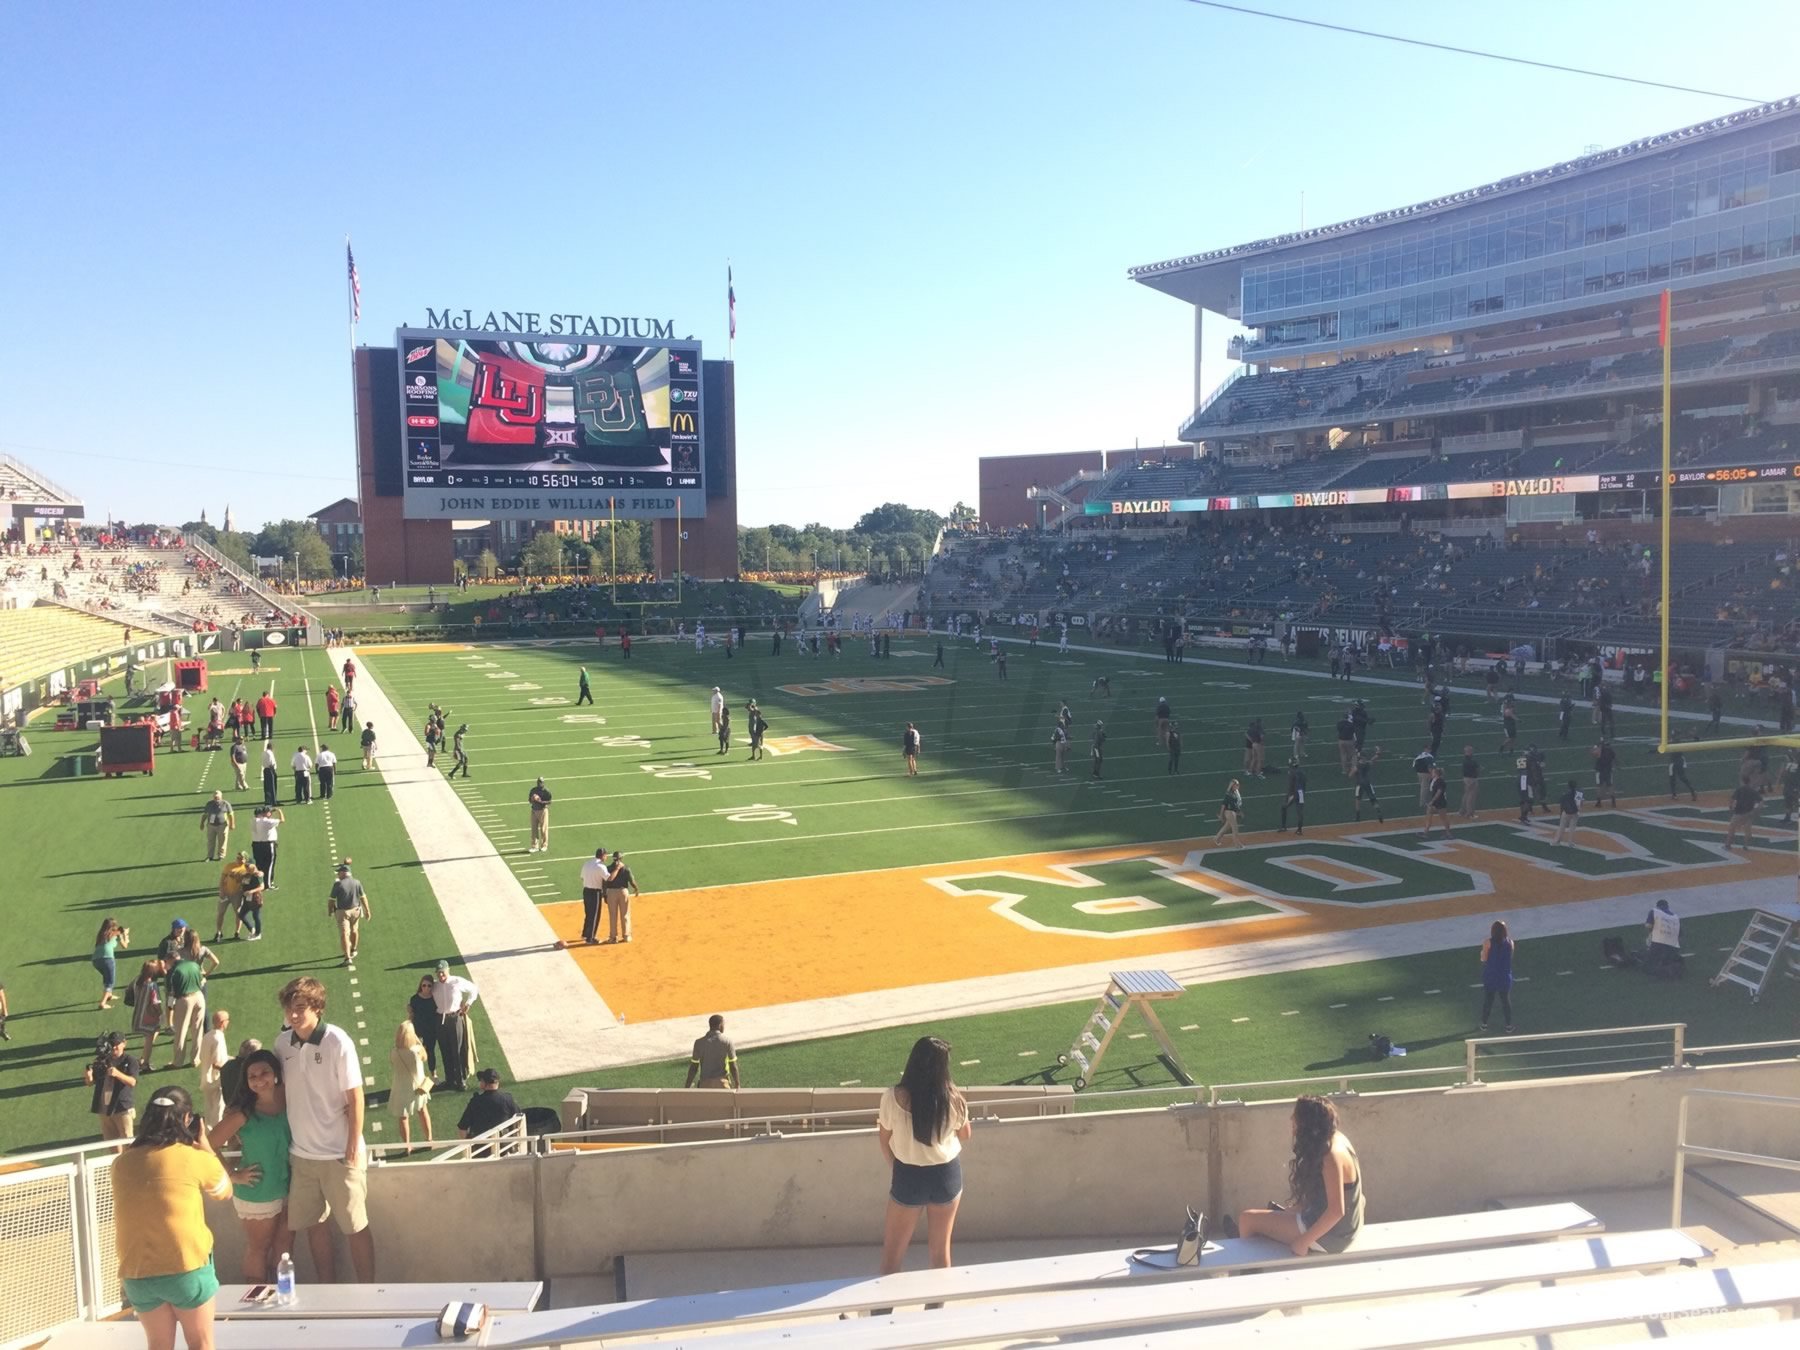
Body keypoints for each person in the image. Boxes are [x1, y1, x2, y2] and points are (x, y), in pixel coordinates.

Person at [111, 1085, 233, 1348]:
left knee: (158, 1344)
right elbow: (224, 1191)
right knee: (200, 1343)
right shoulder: (192, 1158)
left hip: (137, 1272)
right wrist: (207, 1149)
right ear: (187, 1119)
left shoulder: (121, 1164)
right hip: (186, 1267)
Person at [274, 975, 375, 1283]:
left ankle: (368, 1292)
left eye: (300, 1007)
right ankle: (327, 1289)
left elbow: (355, 1096)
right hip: (302, 1156)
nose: (293, 1014)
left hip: (339, 1153)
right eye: (289, 1007)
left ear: (317, 1007)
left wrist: (352, 1146)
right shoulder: (281, 1043)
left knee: (355, 1226)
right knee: (314, 1226)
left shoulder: (337, 1041)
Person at [876, 1036, 972, 1276]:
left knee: (892, 1257)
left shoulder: (893, 1097)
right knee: (941, 1254)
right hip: (946, 1175)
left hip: (908, 1176)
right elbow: (966, 1134)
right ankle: (935, 1312)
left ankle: (881, 1313)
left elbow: (884, 1137)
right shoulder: (954, 1099)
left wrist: (896, 1165)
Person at [1231, 1095, 1364, 1256]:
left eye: (1296, 1117)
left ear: (1306, 1123)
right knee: (1275, 1215)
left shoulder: (1330, 1155)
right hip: (1346, 1228)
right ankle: (1251, 1236)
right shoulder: (1338, 1138)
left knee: (1247, 1219)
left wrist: (1304, 1241)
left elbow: (1336, 1211)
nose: (1291, 1119)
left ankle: (1246, 1271)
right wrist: (1297, 1209)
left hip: (1331, 1236)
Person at [209, 1048, 292, 1282]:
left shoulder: (287, 1096)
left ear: (275, 1073)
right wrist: (231, 1175)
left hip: (288, 1185)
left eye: (264, 1073)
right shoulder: (242, 1114)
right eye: (252, 1077)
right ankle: (256, 1303)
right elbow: (207, 1144)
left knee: (284, 1246)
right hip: (258, 1191)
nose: (258, 1080)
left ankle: (280, 1301)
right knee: (259, 1248)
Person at [431, 961, 479, 1090]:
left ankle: (461, 1080)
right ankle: (449, 1080)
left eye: (443, 972)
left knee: (457, 1050)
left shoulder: (457, 981)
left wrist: (468, 1003)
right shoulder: (434, 985)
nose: (441, 975)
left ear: (448, 970)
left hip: (454, 1018)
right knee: (445, 1050)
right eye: (438, 972)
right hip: (440, 1019)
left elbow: (474, 989)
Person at [86, 1030, 140, 1141]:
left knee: (127, 1141)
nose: (114, 1047)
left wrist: (117, 1074)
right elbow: (90, 1083)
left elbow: (132, 1082)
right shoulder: (102, 1060)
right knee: (110, 1142)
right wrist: (88, 1076)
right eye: (112, 1044)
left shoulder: (130, 1060)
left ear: (124, 1043)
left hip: (122, 1107)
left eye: (117, 1044)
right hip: (104, 1108)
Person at [389, 1020, 434, 1152]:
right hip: (417, 1087)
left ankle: (407, 1146)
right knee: (423, 1111)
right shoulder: (417, 1051)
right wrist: (418, 1041)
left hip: (400, 1087)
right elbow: (425, 1057)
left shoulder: (394, 1052)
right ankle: (429, 1139)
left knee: (403, 1117)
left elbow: (391, 1061)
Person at [456, 1068, 519, 1151]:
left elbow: (462, 1128)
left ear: (484, 1083)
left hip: (480, 1151)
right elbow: (518, 1120)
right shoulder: (507, 1099)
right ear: (497, 1083)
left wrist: (468, 1149)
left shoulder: (476, 1102)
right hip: (504, 1149)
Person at [327, 860, 370, 965]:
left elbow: (331, 900)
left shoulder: (338, 884)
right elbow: (363, 897)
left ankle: (347, 958)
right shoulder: (357, 882)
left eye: (339, 872)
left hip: (343, 913)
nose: (338, 874)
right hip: (356, 911)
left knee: (344, 934)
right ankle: (354, 949)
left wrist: (330, 911)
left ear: (344, 872)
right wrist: (367, 910)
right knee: (354, 930)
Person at [129, 959, 167, 1072]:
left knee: (151, 1035)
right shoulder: (152, 985)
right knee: (150, 1037)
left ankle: (143, 1058)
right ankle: (145, 1063)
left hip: (138, 1014)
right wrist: (161, 1013)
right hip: (149, 1017)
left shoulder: (137, 981)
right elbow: (155, 1002)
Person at [1479, 920, 1516, 1033]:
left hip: (1491, 975)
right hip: (1504, 975)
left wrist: (1482, 955)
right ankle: (1508, 1025)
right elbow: (1510, 957)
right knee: (1505, 1001)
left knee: (1488, 1000)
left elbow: (1484, 958)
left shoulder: (1487, 942)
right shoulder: (1510, 943)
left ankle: (1484, 1024)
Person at [686, 1014, 742, 1089]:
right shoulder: (727, 1041)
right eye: (723, 1024)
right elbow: (733, 1065)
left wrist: (687, 1086)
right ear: (720, 1025)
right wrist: (737, 1084)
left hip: (704, 1084)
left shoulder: (699, 1042)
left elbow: (694, 1066)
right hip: (722, 1084)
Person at [197, 1010, 232, 1126]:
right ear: (223, 1023)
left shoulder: (208, 1035)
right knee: (218, 1110)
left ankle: (209, 1134)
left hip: (206, 1079)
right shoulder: (218, 1039)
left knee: (209, 1109)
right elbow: (217, 1064)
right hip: (216, 1081)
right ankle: (217, 1136)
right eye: (227, 1020)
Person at [94, 916, 131, 1010]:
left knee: (107, 977)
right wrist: (125, 935)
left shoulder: (101, 935)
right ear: (114, 926)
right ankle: (102, 1003)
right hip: (107, 959)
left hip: (96, 960)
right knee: (110, 982)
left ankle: (109, 995)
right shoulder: (116, 933)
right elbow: (125, 946)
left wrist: (123, 934)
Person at [409, 976, 442, 1076]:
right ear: (421, 986)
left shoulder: (435, 999)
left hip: (431, 1030)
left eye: (429, 986)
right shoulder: (414, 998)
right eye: (424, 985)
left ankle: (434, 1074)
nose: (426, 988)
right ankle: (417, 1075)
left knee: (430, 1052)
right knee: (416, 1053)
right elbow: (411, 1014)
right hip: (418, 1030)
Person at [578, 847, 611, 945]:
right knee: (595, 915)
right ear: (602, 856)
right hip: (595, 893)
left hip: (586, 891)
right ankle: (590, 938)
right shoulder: (601, 866)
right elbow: (608, 878)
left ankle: (585, 933)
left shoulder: (587, 863)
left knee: (588, 913)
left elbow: (582, 877)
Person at [605, 851, 640, 943]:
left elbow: (605, 882)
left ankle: (613, 937)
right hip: (623, 892)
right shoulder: (626, 868)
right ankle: (626, 935)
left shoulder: (608, 868)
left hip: (611, 892)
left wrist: (604, 894)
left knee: (613, 915)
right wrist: (636, 888)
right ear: (621, 858)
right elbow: (631, 881)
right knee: (625, 915)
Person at [1644, 899, 1684, 978]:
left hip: (1658, 942)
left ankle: (1654, 969)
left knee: (1652, 957)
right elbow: (1680, 936)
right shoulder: (1675, 917)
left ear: (1658, 906)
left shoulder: (1654, 911)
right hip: (1673, 945)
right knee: (1667, 957)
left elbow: (1648, 926)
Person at [250, 806, 283, 890]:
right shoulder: (267, 821)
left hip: (256, 845)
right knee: (269, 865)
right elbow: (282, 820)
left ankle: (259, 882)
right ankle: (268, 884)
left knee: (259, 864)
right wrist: (279, 811)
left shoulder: (253, 820)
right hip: (268, 845)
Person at [1725, 781, 1761, 851]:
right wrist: (1756, 811)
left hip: (1739, 812)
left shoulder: (1739, 789)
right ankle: (1746, 845)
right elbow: (1761, 802)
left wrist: (1730, 807)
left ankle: (1728, 845)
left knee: (1732, 828)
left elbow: (1732, 799)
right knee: (1748, 829)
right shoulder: (1753, 791)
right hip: (1749, 812)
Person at [199, 791, 234, 863]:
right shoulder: (209, 804)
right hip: (211, 825)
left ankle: (221, 855)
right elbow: (205, 814)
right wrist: (202, 823)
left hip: (222, 825)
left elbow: (231, 814)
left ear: (221, 797)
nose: (216, 799)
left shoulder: (226, 804)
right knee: (210, 841)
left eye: (218, 798)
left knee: (222, 840)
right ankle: (210, 856)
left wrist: (232, 824)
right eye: (215, 797)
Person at [1351, 746, 1384, 823]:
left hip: (1360, 783)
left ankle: (1357, 816)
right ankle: (1378, 810)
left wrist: (1352, 768)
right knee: (1373, 799)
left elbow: (1350, 775)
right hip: (1367, 782)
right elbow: (1374, 758)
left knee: (1358, 799)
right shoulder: (1367, 763)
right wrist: (1378, 752)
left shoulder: (1357, 765)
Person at [1423, 766, 1452, 840]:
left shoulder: (1440, 781)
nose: (1431, 773)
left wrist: (1432, 801)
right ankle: (1426, 832)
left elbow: (1439, 792)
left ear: (1436, 774)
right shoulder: (1433, 780)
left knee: (1443, 818)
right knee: (1429, 817)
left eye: (1433, 772)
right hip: (1436, 802)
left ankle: (1448, 833)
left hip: (1440, 802)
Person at [1214, 778, 1245, 848]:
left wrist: (1238, 812)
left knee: (1226, 827)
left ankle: (1216, 838)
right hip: (1229, 812)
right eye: (1236, 784)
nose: (1238, 785)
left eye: (1238, 784)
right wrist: (1221, 815)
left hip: (1233, 812)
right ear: (1232, 786)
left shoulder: (1236, 792)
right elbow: (1223, 805)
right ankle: (1236, 844)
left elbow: (1237, 804)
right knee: (1235, 828)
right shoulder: (1229, 794)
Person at [526, 776, 553, 854]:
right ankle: (534, 846)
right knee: (534, 829)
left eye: (541, 782)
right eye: (538, 782)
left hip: (543, 810)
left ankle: (544, 845)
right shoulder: (533, 790)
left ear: (543, 783)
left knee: (543, 829)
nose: (539, 783)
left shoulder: (546, 791)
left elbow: (550, 801)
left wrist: (541, 801)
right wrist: (532, 799)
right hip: (534, 810)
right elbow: (529, 800)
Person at [1278, 760, 1306, 834]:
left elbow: (1291, 785)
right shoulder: (1302, 772)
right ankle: (1299, 830)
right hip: (1301, 793)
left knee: (1284, 807)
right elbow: (1304, 784)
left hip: (1294, 793)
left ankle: (1283, 827)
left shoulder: (1292, 773)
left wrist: (1291, 795)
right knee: (1300, 811)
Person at [1553, 778, 1584, 846]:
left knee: (1561, 827)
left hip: (1566, 812)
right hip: (1575, 812)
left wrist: (1561, 813)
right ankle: (1570, 842)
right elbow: (1580, 803)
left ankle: (1557, 841)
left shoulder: (1565, 794)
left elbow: (1562, 804)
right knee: (1572, 828)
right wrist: (1579, 811)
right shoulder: (1579, 793)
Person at [1458, 746, 1481, 818]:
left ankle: (1462, 811)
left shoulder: (1465, 760)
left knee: (1466, 795)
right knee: (1471, 797)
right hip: (1472, 779)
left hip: (1466, 778)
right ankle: (1469, 813)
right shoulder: (1472, 761)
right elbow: (1478, 768)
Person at [260, 741, 278, 808]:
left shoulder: (264, 752)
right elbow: (271, 762)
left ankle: (267, 801)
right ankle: (274, 801)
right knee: (272, 786)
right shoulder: (270, 753)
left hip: (265, 770)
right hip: (270, 769)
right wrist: (273, 770)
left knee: (267, 786)